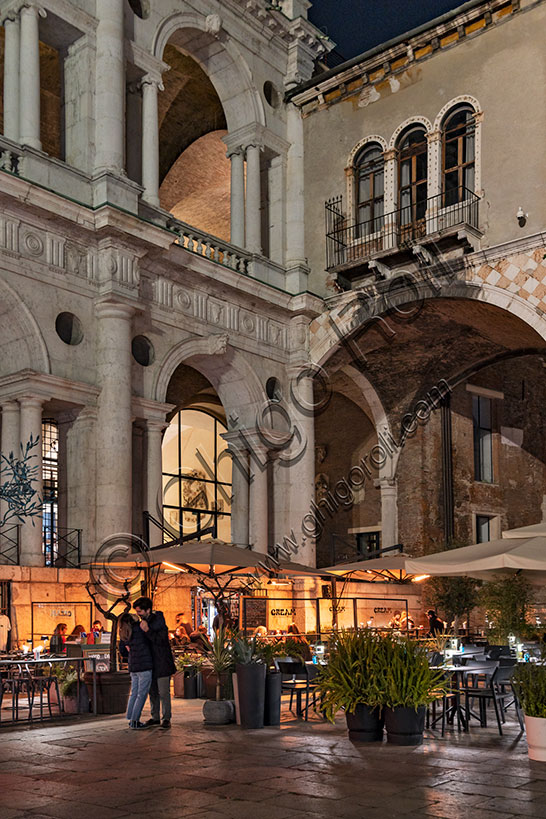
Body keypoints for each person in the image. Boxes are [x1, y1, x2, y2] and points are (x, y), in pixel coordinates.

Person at [133, 596, 176, 729]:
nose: (138, 614)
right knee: (152, 692)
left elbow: (161, 640)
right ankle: (155, 717)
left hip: (162, 662)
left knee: (163, 692)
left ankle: (166, 718)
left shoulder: (158, 622)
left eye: (139, 611)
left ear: (148, 610)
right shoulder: (143, 622)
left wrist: (148, 631)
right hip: (149, 662)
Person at [119, 612, 153, 730]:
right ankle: (135, 720)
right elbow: (150, 641)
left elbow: (122, 650)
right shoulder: (139, 629)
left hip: (133, 665)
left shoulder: (124, 632)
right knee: (142, 694)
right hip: (144, 665)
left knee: (134, 693)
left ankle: (131, 718)